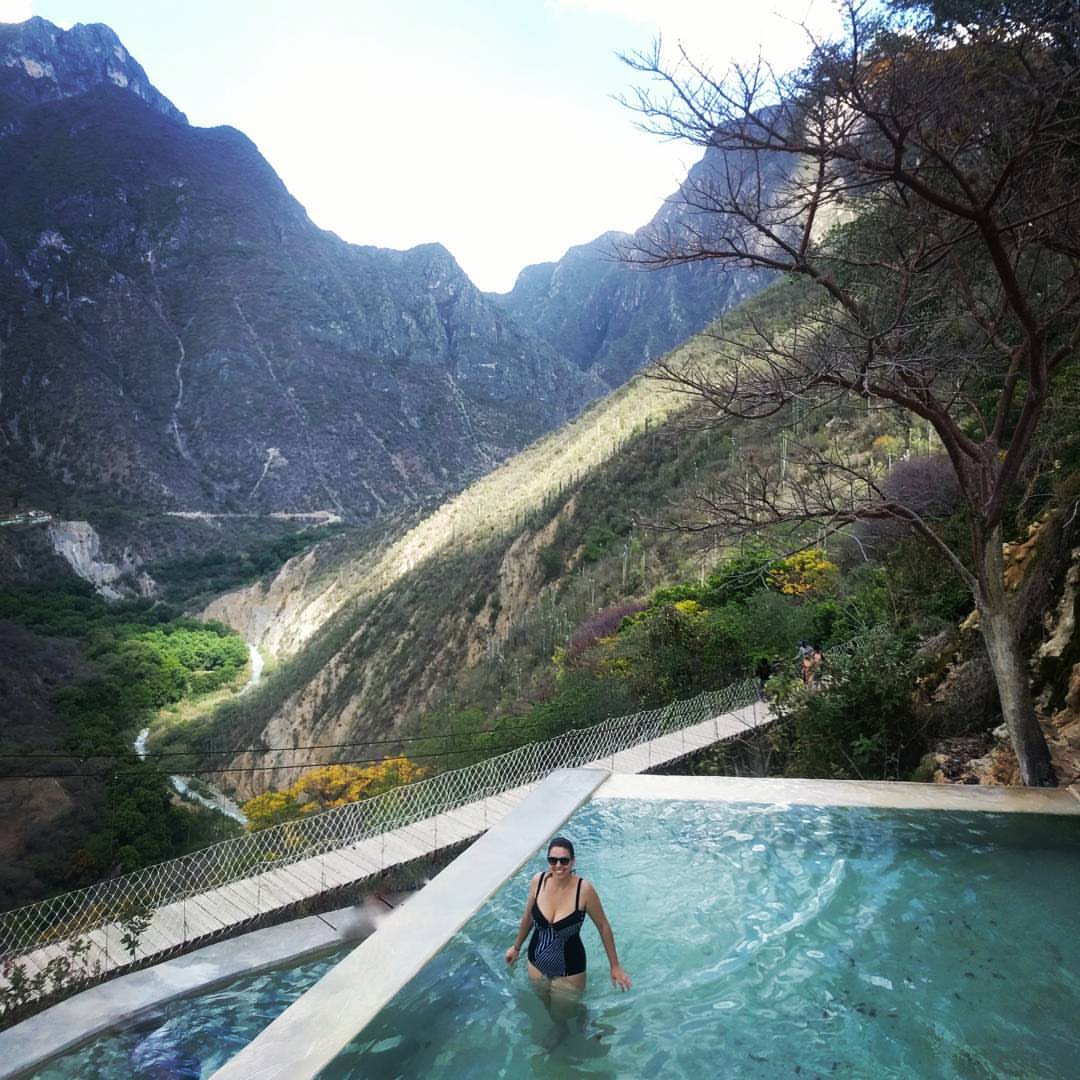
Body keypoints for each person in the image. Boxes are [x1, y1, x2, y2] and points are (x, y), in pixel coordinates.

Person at [505, 836, 632, 994]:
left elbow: (603, 926)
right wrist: (516, 948)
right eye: (553, 860)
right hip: (535, 963)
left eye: (564, 861)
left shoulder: (584, 891)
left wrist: (615, 966)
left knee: (563, 1018)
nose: (558, 865)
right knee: (542, 1012)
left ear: (572, 861)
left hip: (570, 971)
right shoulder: (538, 882)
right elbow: (528, 918)